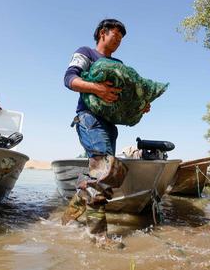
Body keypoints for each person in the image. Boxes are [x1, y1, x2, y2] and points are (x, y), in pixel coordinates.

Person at [63, 19, 149, 248]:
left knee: (104, 175)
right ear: (103, 33)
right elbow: (69, 79)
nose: (119, 42)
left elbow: (123, 96)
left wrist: (140, 104)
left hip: (110, 125)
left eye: (122, 39)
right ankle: (97, 236)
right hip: (89, 119)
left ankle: (67, 219)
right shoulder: (86, 53)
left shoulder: (117, 63)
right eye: (116, 36)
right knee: (106, 171)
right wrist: (97, 88)